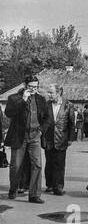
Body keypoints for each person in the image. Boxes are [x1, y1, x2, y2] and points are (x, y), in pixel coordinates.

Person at [4, 74, 50, 204]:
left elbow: (47, 118)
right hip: (20, 136)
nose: (33, 89)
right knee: (16, 166)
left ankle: (34, 195)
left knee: (37, 165)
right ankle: (13, 189)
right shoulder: (14, 98)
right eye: (31, 87)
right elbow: (9, 113)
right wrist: (23, 100)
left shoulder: (41, 99)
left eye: (36, 87)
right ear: (25, 86)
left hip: (35, 136)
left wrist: (41, 130)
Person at [43, 84, 76, 196]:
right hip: (48, 138)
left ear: (58, 93)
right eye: (48, 92)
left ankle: (58, 187)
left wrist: (71, 138)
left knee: (59, 164)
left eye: (51, 93)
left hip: (61, 138)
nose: (49, 95)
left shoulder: (68, 105)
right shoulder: (46, 105)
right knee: (49, 163)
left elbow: (72, 124)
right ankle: (50, 185)